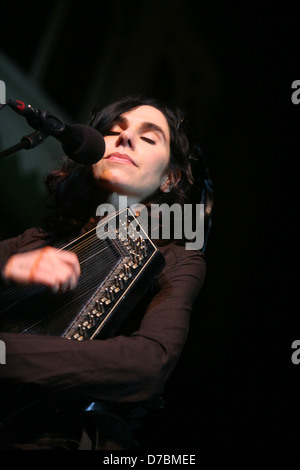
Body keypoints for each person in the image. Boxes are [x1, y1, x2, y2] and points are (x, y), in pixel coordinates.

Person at [0, 96, 207, 450]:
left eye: (148, 137)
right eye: (113, 131)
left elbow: (147, 363)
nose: (125, 139)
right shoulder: (36, 242)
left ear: (169, 179)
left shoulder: (177, 259)